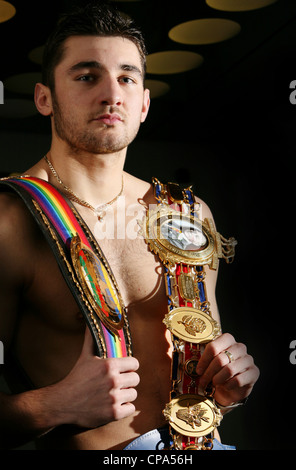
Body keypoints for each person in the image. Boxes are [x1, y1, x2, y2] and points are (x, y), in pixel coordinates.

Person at [0, 3, 259, 450]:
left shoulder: (188, 212)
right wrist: (55, 405)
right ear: (45, 98)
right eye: (86, 76)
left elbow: (209, 365)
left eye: (126, 77)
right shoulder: (10, 219)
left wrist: (231, 388)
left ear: (143, 103)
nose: (111, 94)